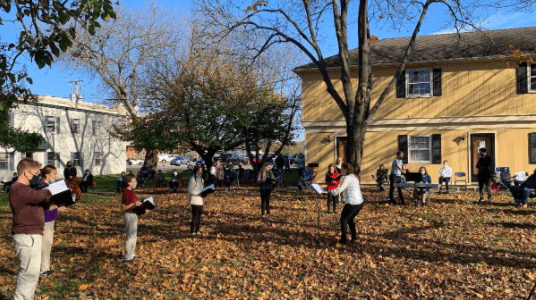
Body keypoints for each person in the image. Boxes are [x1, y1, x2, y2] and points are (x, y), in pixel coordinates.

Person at [9, 158, 53, 299]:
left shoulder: (27, 190)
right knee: (29, 272)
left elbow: (38, 202)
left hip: (34, 233)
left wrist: (55, 204)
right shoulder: (17, 188)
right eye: (35, 173)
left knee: (32, 272)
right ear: (26, 173)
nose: (38, 177)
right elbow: (40, 195)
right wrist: (53, 189)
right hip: (26, 234)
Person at [40, 165, 68, 276]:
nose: (56, 176)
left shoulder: (52, 187)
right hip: (44, 219)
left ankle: (45, 266)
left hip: (51, 218)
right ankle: (43, 268)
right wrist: (57, 209)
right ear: (47, 175)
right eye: (54, 174)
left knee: (48, 243)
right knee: (45, 243)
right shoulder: (42, 188)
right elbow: (42, 208)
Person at [330, 162, 365, 244]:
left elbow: (340, 189)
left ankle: (343, 240)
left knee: (343, 219)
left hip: (352, 203)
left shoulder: (347, 178)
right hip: (359, 203)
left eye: (342, 168)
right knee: (350, 219)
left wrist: (331, 192)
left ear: (345, 169)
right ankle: (354, 237)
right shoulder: (354, 177)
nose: (340, 170)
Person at [121, 174, 150, 263]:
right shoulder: (126, 192)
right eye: (134, 181)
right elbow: (123, 208)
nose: (136, 182)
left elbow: (134, 205)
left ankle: (131, 254)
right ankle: (128, 257)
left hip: (134, 214)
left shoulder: (131, 192)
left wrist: (143, 209)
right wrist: (134, 204)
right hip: (130, 215)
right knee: (131, 236)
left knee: (133, 236)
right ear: (129, 183)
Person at [188, 166, 205, 236]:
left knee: (199, 217)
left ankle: (197, 230)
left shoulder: (201, 179)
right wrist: (198, 193)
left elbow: (202, 189)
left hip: (200, 200)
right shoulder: (193, 179)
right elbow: (190, 190)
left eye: (201, 170)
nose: (201, 172)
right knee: (194, 216)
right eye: (200, 170)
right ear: (196, 171)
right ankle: (192, 232)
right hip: (194, 200)